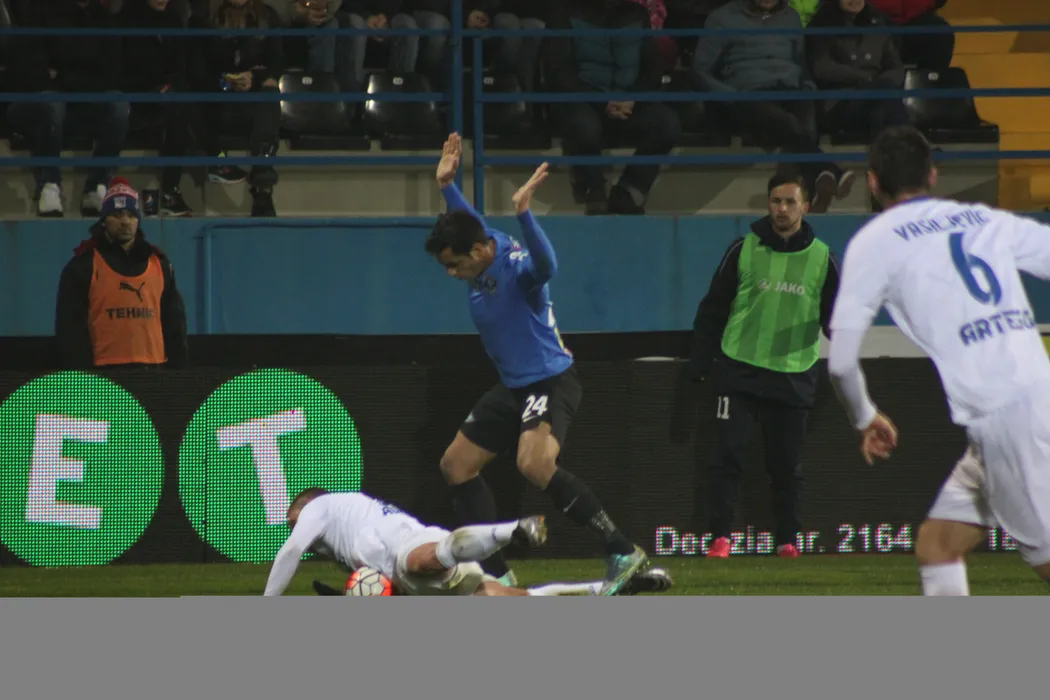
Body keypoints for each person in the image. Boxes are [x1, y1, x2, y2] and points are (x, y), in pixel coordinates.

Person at [424, 133, 653, 596]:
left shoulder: (516, 269)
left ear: (477, 254)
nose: (451, 274)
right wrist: (448, 185)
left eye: (454, 265)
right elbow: (472, 224)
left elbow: (547, 267)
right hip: (513, 386)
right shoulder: (483, 241)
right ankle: (497, 573)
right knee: (456, 465)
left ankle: (622, 550)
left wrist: (525, 213)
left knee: (534, 463)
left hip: (549, 380)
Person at [827, 124, 1050, 595]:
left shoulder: (874, 241)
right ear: (932, 175)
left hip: (1005, 420)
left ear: (872, 182)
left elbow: (841, 364)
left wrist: (864, 416)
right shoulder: (981, 218)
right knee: (938, 545)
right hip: (1034, 396)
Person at [687, 170, 841, 558]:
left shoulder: (823, 258)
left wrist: (848, 357)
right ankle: (720, 538)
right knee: (727, 457)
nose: (782, 209)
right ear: (768, 204)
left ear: (805, 207)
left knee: (787, 466)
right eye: (776, 201)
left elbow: (835, 319)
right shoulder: (743, 249)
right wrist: (701, 362)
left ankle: (787, 541)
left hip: (793, 373)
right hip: (740, 368)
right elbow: (713, 308)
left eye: (790, 202)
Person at [263, 488, 629, 596]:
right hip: (416, 576)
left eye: (294, 520)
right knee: (512, 601)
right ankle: (602, 589)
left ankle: (512, 530)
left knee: (419, 561)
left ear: (306, 507)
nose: (295, 530)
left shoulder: (322, 506)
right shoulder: (345, 538)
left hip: (408, 545)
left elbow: (291, 550)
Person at [692, 0, 854, 214]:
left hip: (790, 90)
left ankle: (816, 186)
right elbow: (700, 72)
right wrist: (731, 96)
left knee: (804, 120)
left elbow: (800, 64)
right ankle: (825, 172)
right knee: (788, 124)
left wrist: (808, 87)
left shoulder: (791, 18)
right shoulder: (722, 19)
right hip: (748, 95)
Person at [54, 178, 189, 370]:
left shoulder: (160, 265)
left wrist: (178, 373)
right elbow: (70, 330)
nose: (125, 221)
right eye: (117, 215)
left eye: (131, 215)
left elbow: (174, 325)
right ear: (104, 221)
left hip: (154, 374)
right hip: (103, 375)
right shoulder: (82, 266)